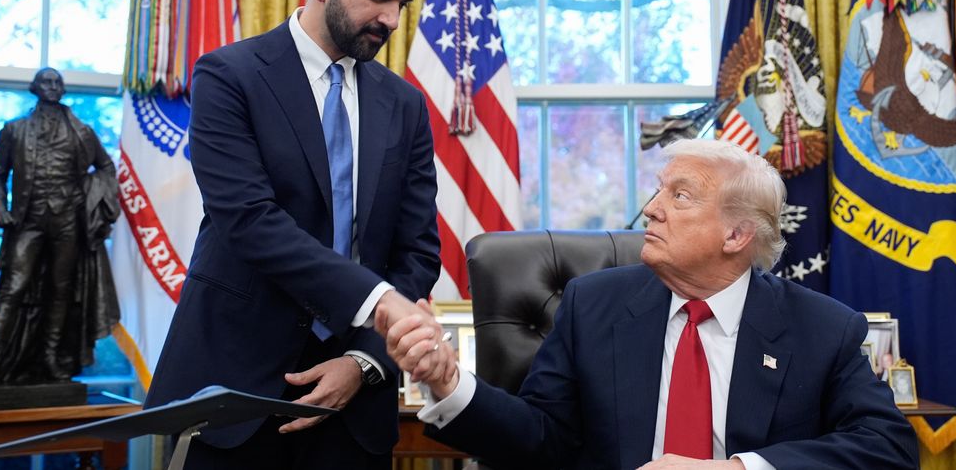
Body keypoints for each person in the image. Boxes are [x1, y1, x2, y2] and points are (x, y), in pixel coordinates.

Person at [387, 138, 919, 470]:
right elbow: (542, 438)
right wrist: (449, 382)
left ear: (736, 235)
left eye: (679, 196)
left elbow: (887, 448)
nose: (652, 209)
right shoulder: (593, 305)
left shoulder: (821, 328)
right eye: (659, 191)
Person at [145, 0, 453, 470]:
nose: (391, 19)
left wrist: (363, 362)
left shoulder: (405, 104)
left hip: (354, 412)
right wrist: (379, 302)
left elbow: (417, 252)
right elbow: (250, 222)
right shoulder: (228, 76)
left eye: (401, 4)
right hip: (235, 393)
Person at [0, 67, 120, 385]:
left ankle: (50, 358)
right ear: (35, 87)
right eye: (47, 82)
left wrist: (91, 197)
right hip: (27, 220)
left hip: (67, 221)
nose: (53, 87)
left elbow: (106, 167)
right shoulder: (14, 130)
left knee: (61, 290)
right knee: (13, 287)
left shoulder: (82, 132)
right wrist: (0, 208)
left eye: (58, 82)